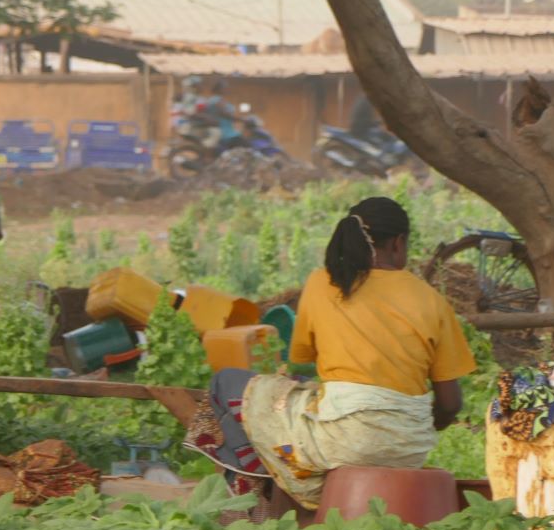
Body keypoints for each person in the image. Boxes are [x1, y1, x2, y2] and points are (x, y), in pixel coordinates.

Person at [189, 196, 476, 510]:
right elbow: (451, 403)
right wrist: (405, 424)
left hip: (340, 442)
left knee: (227, 383)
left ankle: (256, 490)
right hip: (408, 449)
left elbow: (301, 359)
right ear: (398, 243)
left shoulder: (323, 283)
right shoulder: (432, 300)